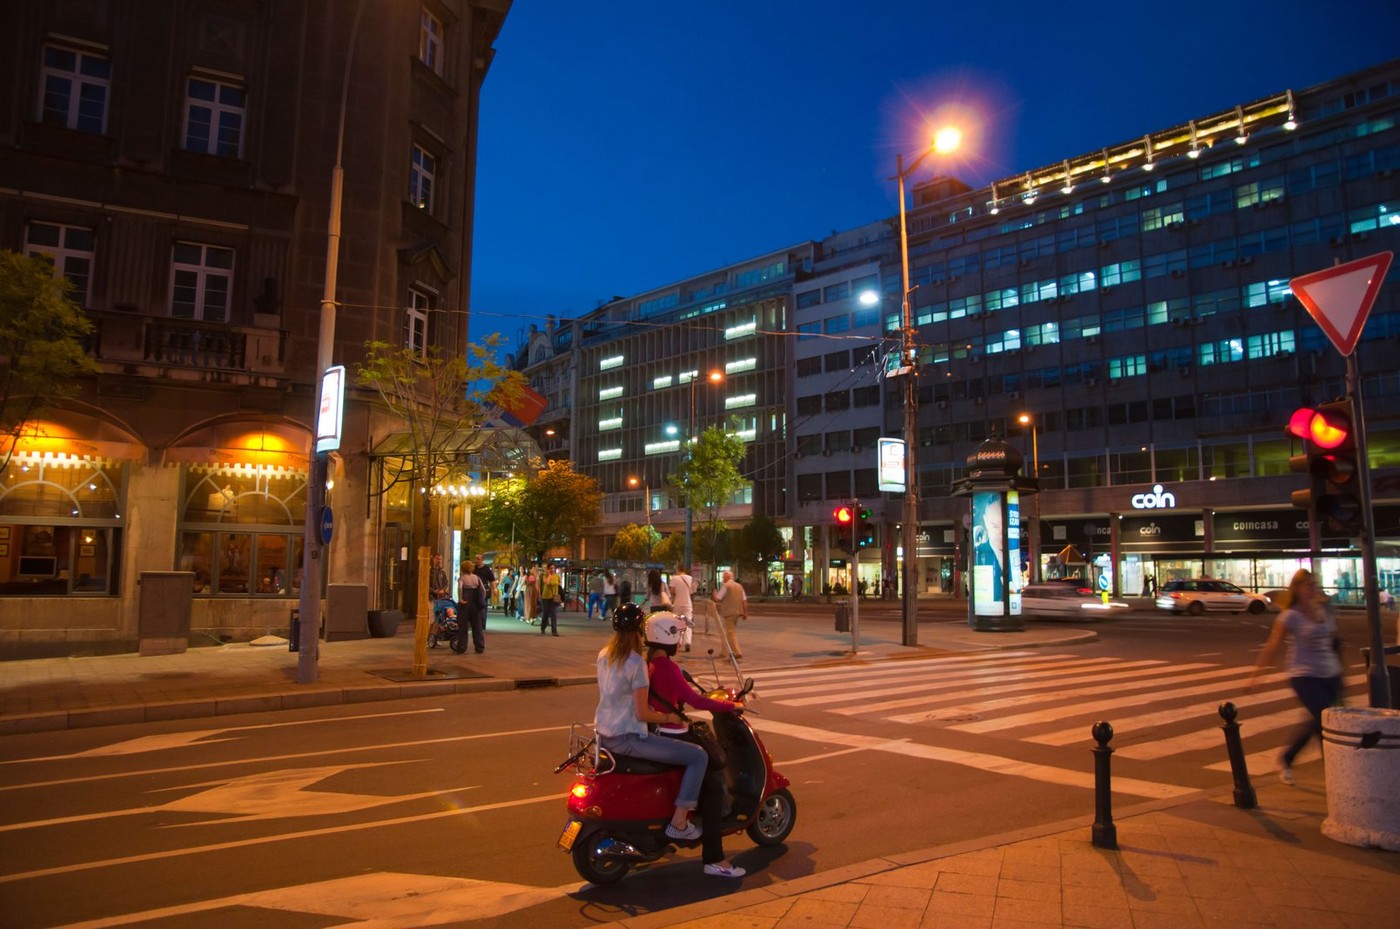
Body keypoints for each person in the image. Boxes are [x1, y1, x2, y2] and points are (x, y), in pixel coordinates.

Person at [643, 612, 746, 878]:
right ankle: (714, 858)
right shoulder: (667, 667)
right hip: (673, 733)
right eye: (677, 635)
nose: (679, 641)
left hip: (658, 732)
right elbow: (695, 700)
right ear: (668, 638)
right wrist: (730, 705)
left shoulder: (650, 663)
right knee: (713, 784)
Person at [594, 603, 707, 843]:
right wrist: (670, 717)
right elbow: (642, 713)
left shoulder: (604, 655)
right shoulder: (636, 664)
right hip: (628, 738)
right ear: (640, 632)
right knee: (698, 756)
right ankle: (679, 821)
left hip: (603, 734)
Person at [1247, 568, 1345, 785]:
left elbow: (1335, 642)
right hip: (1304, 674)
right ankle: (1334, 772)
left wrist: (1341, 674)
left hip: (1330, 673)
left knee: (1320, 720)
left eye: (1314, 584)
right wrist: (1257, 677)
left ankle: (1287, 758)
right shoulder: (1290, 616)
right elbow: (1272, 647)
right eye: (1308, 585)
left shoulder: (1325, 610)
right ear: (1298, 588)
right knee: (1324, 720)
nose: (1313, 589)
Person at [713, 570, 747, 660]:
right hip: (738, 612)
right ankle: (724, 651)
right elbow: (744, 600)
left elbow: (718, 598)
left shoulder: (726, 586)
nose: (722, 579)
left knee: (730, 633)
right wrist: (745, 612)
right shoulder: (739, 586)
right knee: (729, 632)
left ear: (726, 577)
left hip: (728, 612)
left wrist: (715, 594)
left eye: (723, 577)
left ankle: (737, 652)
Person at [668, 563, 696, 651]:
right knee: (688, 623)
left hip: (677, 604)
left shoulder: (675, 578)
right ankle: (687, 642)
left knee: (677, 623)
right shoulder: (690, 578)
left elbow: (672, 591)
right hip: (687, 604)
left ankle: (678, 642)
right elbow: (691, 591)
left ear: (678, 569)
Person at [458, 569, 487, 653]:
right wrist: (482, 599)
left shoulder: (462, 578)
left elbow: (460, 587)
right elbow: (483, 590)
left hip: (465, 602)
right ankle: (479, 647)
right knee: (477, 626)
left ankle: (462, 647)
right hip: (475, 604)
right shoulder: (477, 578)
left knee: (463, 626)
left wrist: (460, 599)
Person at [539, 563, 561, 635]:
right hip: (546, 597)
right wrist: (549, 575)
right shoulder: (545, 575)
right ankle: (543, 628)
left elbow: (560, 584)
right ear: (548, 569)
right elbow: (547, 582)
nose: (552, 569)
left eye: (553, 568)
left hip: (554, 597)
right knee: (546, 614)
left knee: (554, 614)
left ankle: (554, 631)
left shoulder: (557, 576)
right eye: (551, 568)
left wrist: (557, 585)